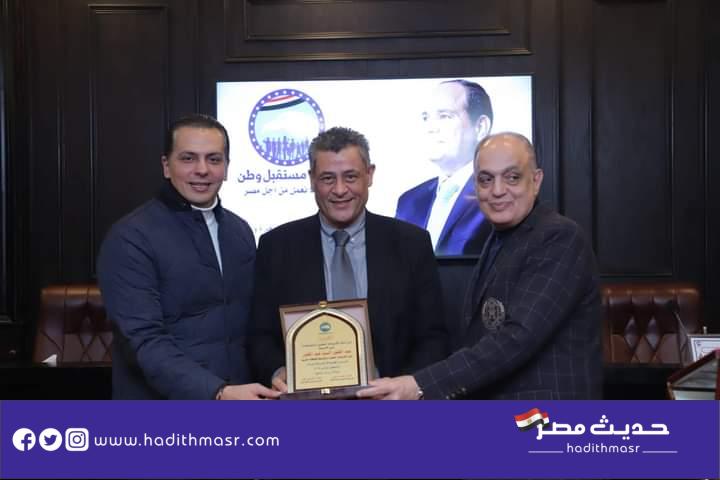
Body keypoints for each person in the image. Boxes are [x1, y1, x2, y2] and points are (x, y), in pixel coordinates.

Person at [359, 132, 602, 400]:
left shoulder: (559, 237)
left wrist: (419, 385)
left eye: (512, 177)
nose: (497, 191)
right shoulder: (500, 238)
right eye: (486, 179)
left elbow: (516, 338)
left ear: (536, 181)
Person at [249, 126, 449, 391]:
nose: (340, 190)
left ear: (370, 175)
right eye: (327, 178)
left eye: (351, 176)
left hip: (391, 404)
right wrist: (279, 371)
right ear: (311, 180)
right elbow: (260, 336)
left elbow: (433, 337)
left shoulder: (412, 243)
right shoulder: (276, 246)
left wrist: (405, 386)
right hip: (306, 404)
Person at [97, 114, 279, 400]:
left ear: (227, 167)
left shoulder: (240, 231)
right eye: (188, 158)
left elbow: (254, 327)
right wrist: (218, 393)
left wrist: (278, 369)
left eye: (214, 159)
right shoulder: (130, 237)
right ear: (166, 166)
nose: (202, 170)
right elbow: (143, 340)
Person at [395, 79, 494, 256]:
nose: (431, 128)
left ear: (480, 127)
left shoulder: (499, 196)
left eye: (445, 116)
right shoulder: (409, 201)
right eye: (426, 118)